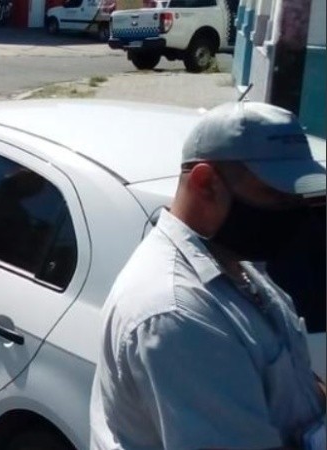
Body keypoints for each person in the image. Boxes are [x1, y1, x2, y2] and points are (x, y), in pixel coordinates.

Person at [89, 102, 326, 449]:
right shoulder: (177, 312)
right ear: (205, 183)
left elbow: (297, 387)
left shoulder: (240, 268)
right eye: (276, 195)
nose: (293, 211)